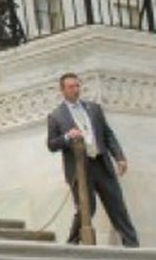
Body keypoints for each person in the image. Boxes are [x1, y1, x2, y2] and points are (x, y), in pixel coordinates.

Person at [47, 72, 139, 247]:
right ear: (62, 90)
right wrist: (67, 136)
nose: (76, 90)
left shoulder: (94, 108)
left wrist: (119, 157)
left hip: (101, 164)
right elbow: (51, 145)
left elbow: (107, 134)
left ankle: (132, 245)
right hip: (80, 168)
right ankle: (72, 243)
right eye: (71, 87)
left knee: (117, 206)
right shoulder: (56, 116)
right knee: (86, 208)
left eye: (77, 86)